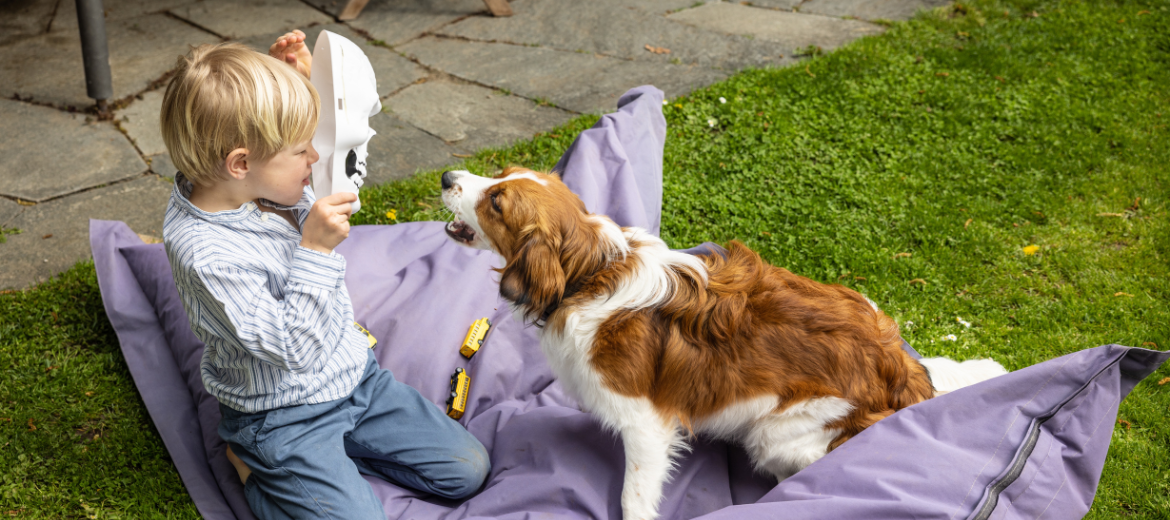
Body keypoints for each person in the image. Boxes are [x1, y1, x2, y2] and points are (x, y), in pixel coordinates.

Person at [159, 32, 490, 519]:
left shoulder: (249, 180)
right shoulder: (204, 253)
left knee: (466, 470)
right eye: (301, 150)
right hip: (281, 416)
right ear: (240, 163)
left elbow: (319, 160)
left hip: (355, 379)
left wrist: (293, 82)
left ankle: (336, 465)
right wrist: (314, 248)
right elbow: (292, 349)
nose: (315, 158)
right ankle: (254, 468)